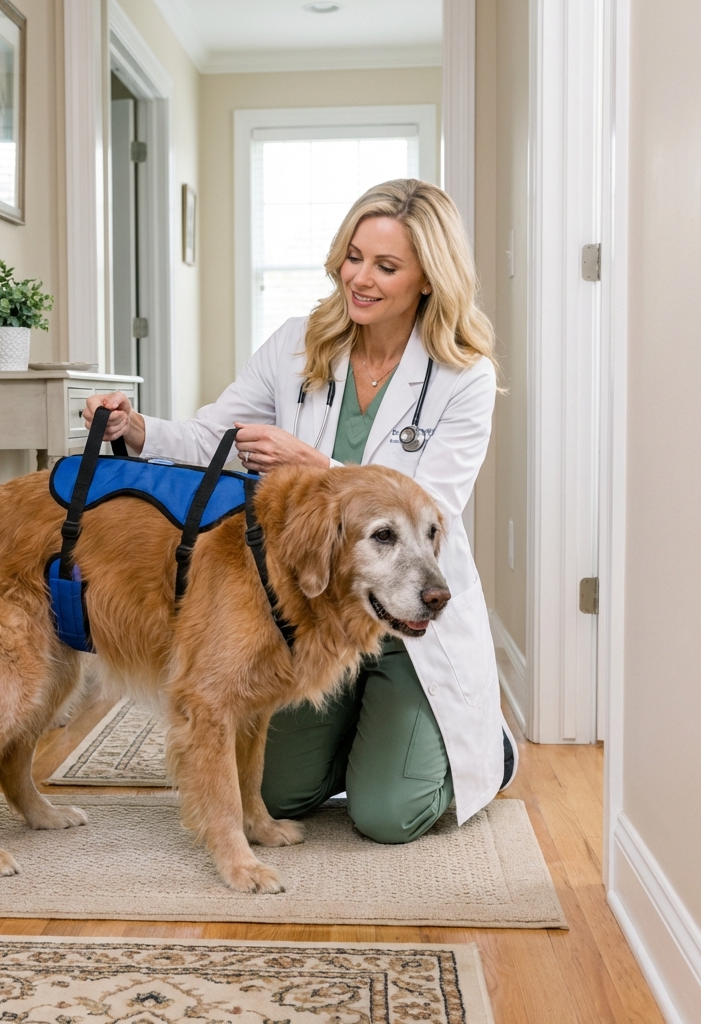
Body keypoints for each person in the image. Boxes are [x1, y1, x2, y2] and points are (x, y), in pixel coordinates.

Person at [83, 178, 517, 844]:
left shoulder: (464, 375)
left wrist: (310, 465)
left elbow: (437, 507)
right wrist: (134, 430)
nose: (360, 278)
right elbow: (212, 440)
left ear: (428, 278)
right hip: (311, 613)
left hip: (403, 618)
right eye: (353, 256)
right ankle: (356, 727)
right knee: (280, 793)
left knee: (385, 814)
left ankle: (473, 742)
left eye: (386, 266)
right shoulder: (296, 344)